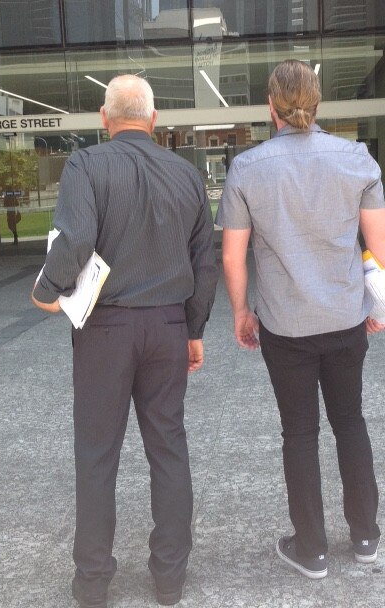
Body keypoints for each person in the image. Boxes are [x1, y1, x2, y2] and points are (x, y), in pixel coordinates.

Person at [31, 75, 218, 608]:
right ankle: (169, 579)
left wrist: (47, 288)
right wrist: (194, 328)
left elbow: (76, 236)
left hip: (104, 330)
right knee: (168, 448)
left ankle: (92, 583)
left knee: (96, 455)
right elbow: (203, 260)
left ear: (103, 117)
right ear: (154, 119)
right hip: (166, 328)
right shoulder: (186, 174)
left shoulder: (86, 165)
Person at [216, 59, 385, 580]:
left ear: (272, 107)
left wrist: (243, 312)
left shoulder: (247, 168)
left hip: (285, 326)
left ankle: (309, 548)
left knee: (300, 433)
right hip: (343, 319)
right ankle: (366, 537)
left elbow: (231, 256)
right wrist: (376, 303)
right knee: (351, 422)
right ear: (316, 104)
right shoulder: (357, 159)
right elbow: (379, 245)